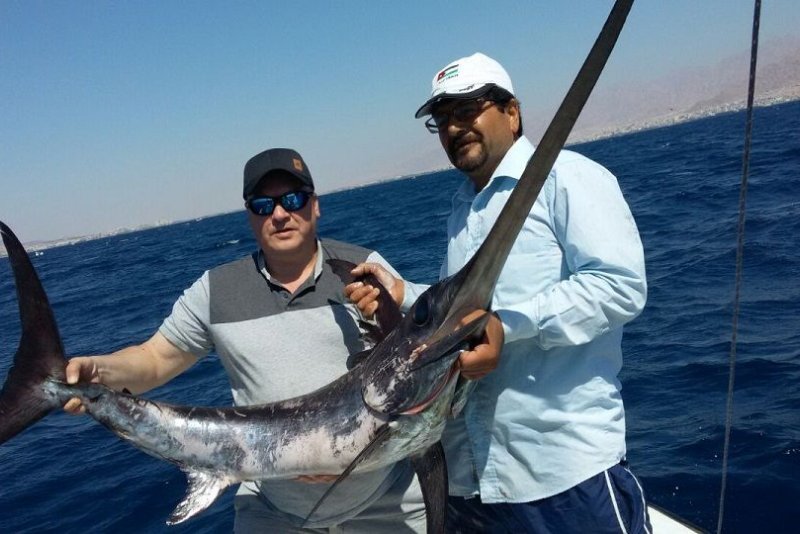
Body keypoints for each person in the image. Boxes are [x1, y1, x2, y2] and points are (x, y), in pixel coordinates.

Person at [346, 52, 651, 532]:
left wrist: (506, 326)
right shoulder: (462, 209)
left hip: (561, 476)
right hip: (473, 480)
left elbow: (619, 286)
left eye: (467, 110)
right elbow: (468, 311)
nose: (453, 127)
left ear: (512, 112)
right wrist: (404, 295)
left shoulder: (568, 177)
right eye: (442, 118)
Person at [63, 148, 426, 533]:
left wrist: (397, 299)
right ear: (249, 216)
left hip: (384, 503)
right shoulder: (215, 290)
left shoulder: (366, 270)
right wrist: (99, 371)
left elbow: (432, 337)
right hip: (272, 511)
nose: (280, 214)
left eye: (293, 199)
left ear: (315, 206)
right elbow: (154, 360)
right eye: (263, 204)